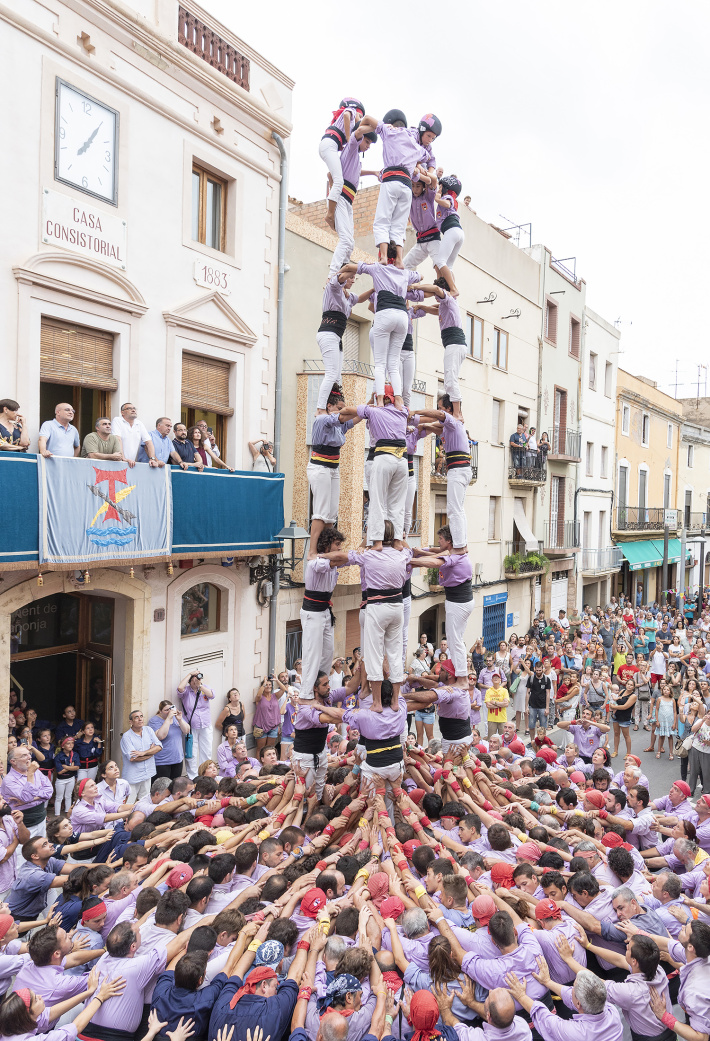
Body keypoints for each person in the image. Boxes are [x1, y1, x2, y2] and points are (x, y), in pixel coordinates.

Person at [358, 108, 438, 267]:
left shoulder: (390, 130)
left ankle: (383, 257)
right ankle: (400, 261)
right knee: (399, 225)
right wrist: (425, 170)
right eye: (429, 137)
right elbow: (429, 158)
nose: (430, 140)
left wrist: (357, 134)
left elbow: (367, 118)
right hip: (407, 187)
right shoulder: (417, 147)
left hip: (391, 180)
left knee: (382, 221)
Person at [7, 836, 73, 922]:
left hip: (25, 919)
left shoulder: (48, 862)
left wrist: (95, 868)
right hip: (14, 921)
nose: (51, 844)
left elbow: (73, 868)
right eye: (45, 845)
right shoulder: (33, 875)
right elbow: (71, 879)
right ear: (35, 856)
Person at [1, 745, 54, 837]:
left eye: (29, 754)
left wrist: (34, 798)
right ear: (13, 761)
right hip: (24, 823)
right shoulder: (9, 780)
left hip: (40, 818)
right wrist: (30, 774)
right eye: (24, 755)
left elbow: (49, 791)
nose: (29, 757)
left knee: (40, 847)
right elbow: (26, 797)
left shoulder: (36, 772)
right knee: (23, 849)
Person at [177, 672, 215, 778]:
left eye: (197, 679)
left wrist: (200, 686)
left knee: (206, 751)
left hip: (205, 725)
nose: (196, 681)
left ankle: (206, 775)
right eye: (193, 680)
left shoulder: (204, 689)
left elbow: (212, 695)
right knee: (191, 754)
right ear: (189, 681)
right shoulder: (186, 691)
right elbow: (180, 688)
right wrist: (190, 674)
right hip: (191, 727)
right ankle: (193, 777)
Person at [119, 710, 162, 801]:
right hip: (133, 776)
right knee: (129, 803)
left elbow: (159, 747)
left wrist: (143, 753)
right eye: (136, 717)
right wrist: (151, 751)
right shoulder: (126, 737)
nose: (140, 719)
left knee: (144, 802)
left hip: (147, 773)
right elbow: (134, 758)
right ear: (131, 722)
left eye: (141, 716)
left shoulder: (149, 730)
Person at [148, 701, 190, 780]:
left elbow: (186, 731)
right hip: (162, 762)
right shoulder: (154, 721)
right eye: (166, 710)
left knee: (174, 787)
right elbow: (161, 736)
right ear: (160, 711)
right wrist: (168, 719)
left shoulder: (176, 718)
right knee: (162, 789)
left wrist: (180, 720)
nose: (169, 712)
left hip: (177, 760)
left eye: (170, 709)